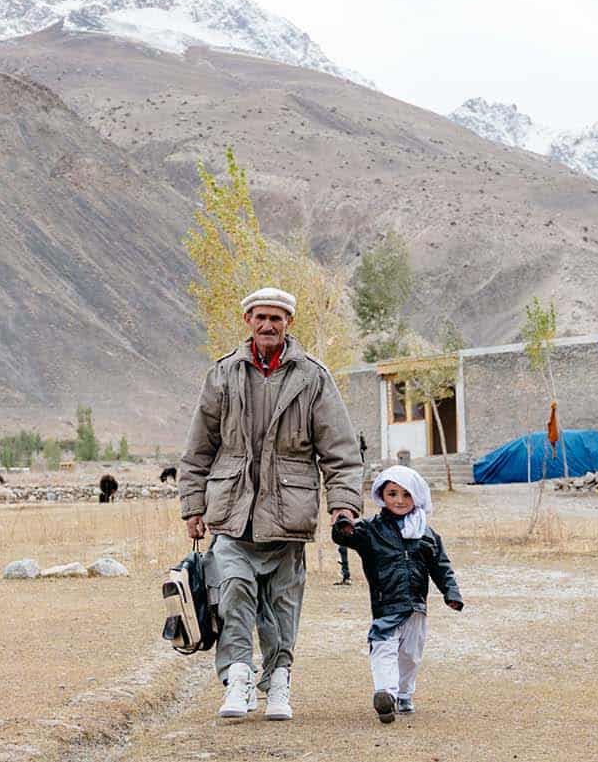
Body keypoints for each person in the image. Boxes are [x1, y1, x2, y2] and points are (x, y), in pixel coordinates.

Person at [180, 286, 365, 722]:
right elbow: (197, 449)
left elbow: (340, 450)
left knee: (282, 604)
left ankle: (278, 680)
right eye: (260, 317)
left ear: (289, 324)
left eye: (276, 319)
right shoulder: (222, 375)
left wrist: (343, 506)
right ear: (248, 321)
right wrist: (192, 505)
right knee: (234, 593)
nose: (267, 325)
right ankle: (238, 678)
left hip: (288, 516)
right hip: (233, 513)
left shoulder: (313, 377)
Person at [330, 465, 463, 724]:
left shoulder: (427, 534)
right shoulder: (371, 530)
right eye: (392, 494)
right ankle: (385, 694)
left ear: (418, 496)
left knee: (410, 655)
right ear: (382, 495)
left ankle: (403, 693)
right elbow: (346, 537)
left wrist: (451, 592)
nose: (399, 500)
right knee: (383, 645)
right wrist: (343, 524)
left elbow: (441, 567)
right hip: (386, 604)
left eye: (406, 494)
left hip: (415, 606)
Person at [335, 428, 370, 586]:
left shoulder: (353, 464)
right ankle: (346, 574)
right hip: (347, 503)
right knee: (343, 541)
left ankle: (349, 574)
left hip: (352, 503)